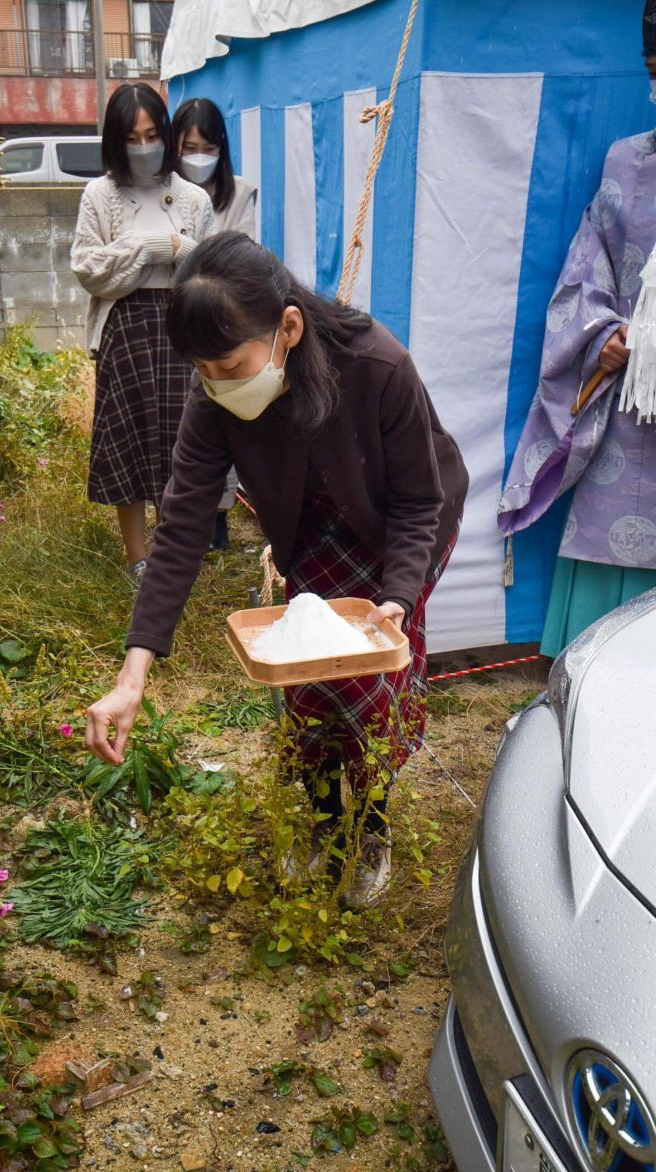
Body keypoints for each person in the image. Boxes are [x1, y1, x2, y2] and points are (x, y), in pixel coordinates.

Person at [85, 232, 468, 908]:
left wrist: (398, 599)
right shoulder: (215, 399)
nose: (216, 384)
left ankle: (371, 829)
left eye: (230, 365)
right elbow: (177, 530)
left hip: (400, 527)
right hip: (311, 528)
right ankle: (321, 822)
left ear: (287, 326)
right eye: (202, 369)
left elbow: (418, 501)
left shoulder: (378, 366)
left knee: (372, 687)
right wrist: (132, 674)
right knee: (308, 680)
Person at [498, 3, 656, 656]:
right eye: (653, 69)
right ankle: (592, 676)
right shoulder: (625, 162)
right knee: (609, 526)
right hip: (627, 391)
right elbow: (582, 272)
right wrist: (603, 335)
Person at [70, 84, 216, 580]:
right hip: (125, 329)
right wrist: (153, 246)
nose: (144, 145)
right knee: (129, 439)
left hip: (183, 326)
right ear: (114, 139)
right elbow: (87, 267)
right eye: (132, 137)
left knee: (187, 440)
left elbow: (213, 269)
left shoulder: (194, 198)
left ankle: (177, 553)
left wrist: (182, 249)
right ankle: (137, 558)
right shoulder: (100, 195)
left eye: (153, 134)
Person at [172, 97, 259, 550]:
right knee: (183, 422)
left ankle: (218, 516)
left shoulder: (240, 192)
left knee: (223, 411)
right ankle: (183, 512)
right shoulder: (163, 192)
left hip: (222, 319)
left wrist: (185, 250)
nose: (198, 155)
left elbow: (237, 255)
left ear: (221, 148)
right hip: (175, 318)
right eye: (189, 146)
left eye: (207, 146)